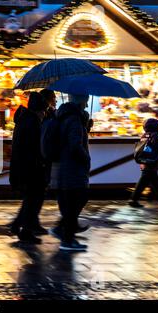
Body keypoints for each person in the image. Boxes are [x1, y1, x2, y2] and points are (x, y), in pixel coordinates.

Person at [49, 94, 91, 251]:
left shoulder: (64, 116)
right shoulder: (73, 119)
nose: (86, 105)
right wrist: (85, 157)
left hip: (65, 166)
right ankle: (67, 239)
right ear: (80, 101)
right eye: (85, 101)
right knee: (77, 199)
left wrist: (85, 128)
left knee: (70, 201)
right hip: (73, 166)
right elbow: (74, 144)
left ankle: (63, 230)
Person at [9, 92, 49, 244]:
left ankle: (17, 225)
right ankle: (26, 232)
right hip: (31, 167)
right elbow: (35, 147)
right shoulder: (32, 123)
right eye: (44, 111)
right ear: (39, 109)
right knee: (33, 199)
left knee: (30, 199)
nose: (44, 114)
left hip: (24, 166)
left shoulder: (24, 119)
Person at [129, 118, 158, 208]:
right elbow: (157, 149)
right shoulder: (155, 135)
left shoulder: (145, 135)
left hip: (144, 160)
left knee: (155, 181)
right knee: (144, 181)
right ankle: (133, 200)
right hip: (151, 161)